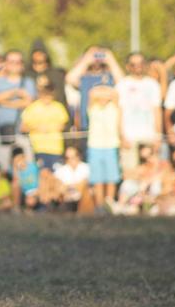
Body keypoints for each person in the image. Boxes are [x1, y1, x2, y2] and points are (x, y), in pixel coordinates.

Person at [0, 50, 36, 172]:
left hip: (22, 131)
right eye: (11, 61)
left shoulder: (28, 82)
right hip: (1, 131)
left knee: (27, 167)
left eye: (18, 62)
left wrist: (5, 102)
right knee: (3, 169)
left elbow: (29, 102)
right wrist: (15, 92)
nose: (15, 64)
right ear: (6, 64)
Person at [116, 52, 162, 172]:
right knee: (130, 172)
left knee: (151, 172)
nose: (138, 67)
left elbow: (157, 111)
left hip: (149, 136)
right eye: (134, 64)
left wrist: (158, 135)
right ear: (128, 66)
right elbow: (119, 112)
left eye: (141, 63)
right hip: (129, 136)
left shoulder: (152, 85)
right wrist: (121, 136)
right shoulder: (122, 85)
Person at [66, 46, 123, 132]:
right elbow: (70, 79)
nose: (96, 57)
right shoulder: (84, 77)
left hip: (108, 125)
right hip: (87, 124)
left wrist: (111, 59)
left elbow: (122, 82)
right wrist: (86, 60)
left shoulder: (109, 76)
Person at [20, 75, 69, 170]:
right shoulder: (33, 107)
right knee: (42, 175)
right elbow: (23, 127)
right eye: (45, 93)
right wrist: (38, 128)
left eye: (49, 93)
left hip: (55, 148)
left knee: (56, 175)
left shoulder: (58, 107)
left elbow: (63, 125)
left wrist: (48, 128)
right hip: (38, 148)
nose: (47, 96)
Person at [85, 82, 121, 211]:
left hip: (111, 145)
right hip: (95, 145)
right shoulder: (93, 108)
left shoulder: (114, 108)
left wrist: (105, 89)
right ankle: (99, 206)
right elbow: (91, 93)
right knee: (98, 179)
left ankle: (109, 203)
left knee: (111, 177)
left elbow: (115, 94)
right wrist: (101, 89)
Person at [53, 146, 91, 213]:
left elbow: (85, 184)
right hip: (66, 200)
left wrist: (69, 187)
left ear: (78, 156)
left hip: (82, 201)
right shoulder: (61, 170)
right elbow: (58, 186)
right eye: (67, 158)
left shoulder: (86, 168)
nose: (70, 160)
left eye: (73, 157)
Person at [10, 146, 40, 211]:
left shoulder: (33, 167)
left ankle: (30, 209)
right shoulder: (13, 170)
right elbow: (16, 182)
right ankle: (16, 207)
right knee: (14, 184)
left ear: (24, 157)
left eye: (21, 158)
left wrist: (35, 192)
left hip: (35, 191)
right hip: (23, 194)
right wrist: (15, 169)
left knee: (30, 201)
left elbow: (41, 181)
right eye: (17, 159)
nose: (19, 161)